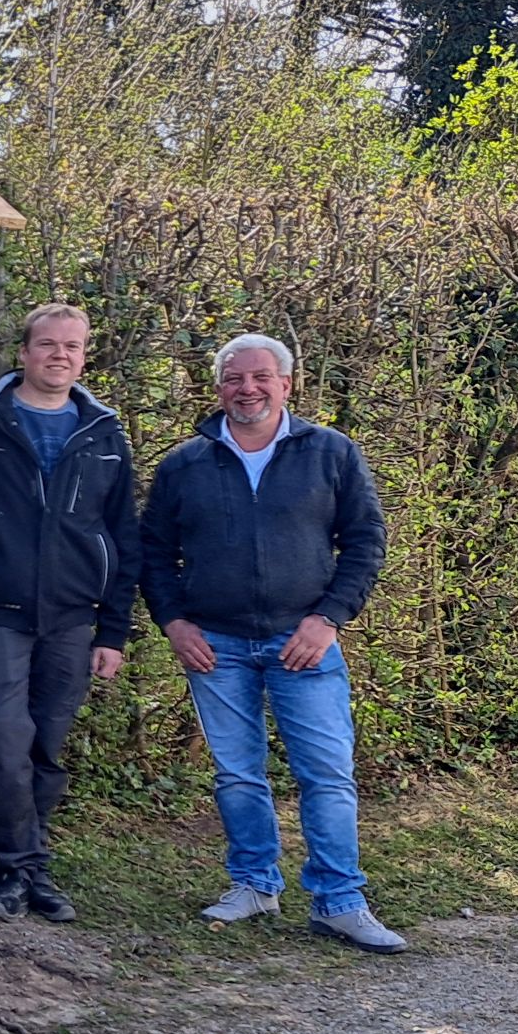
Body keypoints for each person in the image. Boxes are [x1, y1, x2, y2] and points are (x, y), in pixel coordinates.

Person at [139, 332, 402, 950]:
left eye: (260, 377)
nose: (247, 389)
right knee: (236, 775)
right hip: (216, 645)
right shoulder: (185, 464)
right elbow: (152, 554)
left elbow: (366, 540)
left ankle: (339, 900)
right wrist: (175, 623)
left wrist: (329, 618)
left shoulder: (330, 453)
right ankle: (255, 884)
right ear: (218, 388)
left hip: (304, 641)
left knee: (328, 775)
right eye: (234, 378)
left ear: (287, 384)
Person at [0, 302, 141, 922]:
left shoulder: (105, 434)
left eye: (73, 346)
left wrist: (113, 629)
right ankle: (13, 868)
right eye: (48, 344)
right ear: (25, 352)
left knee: (47, 746)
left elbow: (123, 536)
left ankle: (25, 866)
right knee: (3, 744)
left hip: (72, 617)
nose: (60, 355)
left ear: (84, 356)